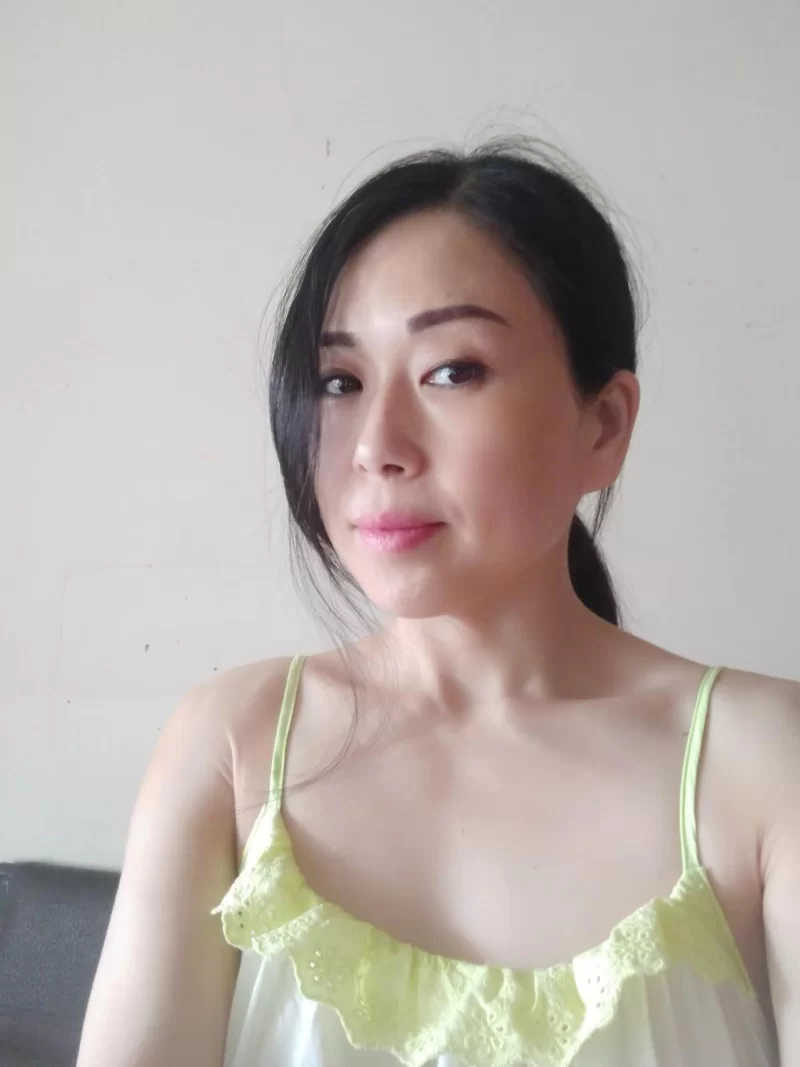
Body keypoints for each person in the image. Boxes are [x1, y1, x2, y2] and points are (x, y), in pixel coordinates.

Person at [77, 140, 799, 1067]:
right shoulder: (229, 746)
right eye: (340, 382)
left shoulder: (763, 762)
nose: (376, 444)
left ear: (604, 424)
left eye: (452, 371)